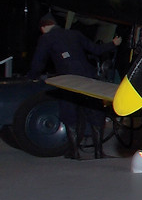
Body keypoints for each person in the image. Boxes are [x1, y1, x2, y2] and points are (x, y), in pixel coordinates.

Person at [28, 13, 122, 159]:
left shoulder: (46, 38)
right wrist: (113, 44)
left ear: (44, 27)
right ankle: (98, 152)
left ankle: (75, 152)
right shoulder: (75, 34)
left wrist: (32, 77)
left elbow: (38, 62)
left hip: (68, 81)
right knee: (95, 113)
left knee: (69, 114)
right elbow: (96, 50)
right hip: (88, 78)